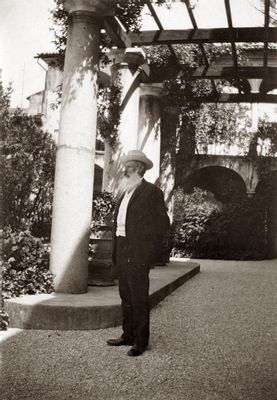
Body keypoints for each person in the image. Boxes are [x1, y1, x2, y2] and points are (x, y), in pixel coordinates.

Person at [107, 150, 170, 357]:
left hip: (139, 252)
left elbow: (163, 224)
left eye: (130, 166)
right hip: (122, 247)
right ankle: (127, 335)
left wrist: (151, 253)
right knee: (125, 294)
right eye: (126, 166)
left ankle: (141, 342)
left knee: (139, 297)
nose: (125, 169)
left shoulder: (152, 192)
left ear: (140, 169)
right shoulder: (124, 191)